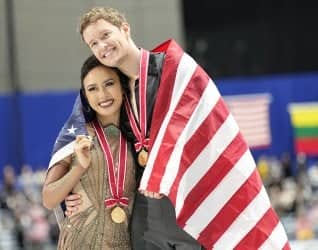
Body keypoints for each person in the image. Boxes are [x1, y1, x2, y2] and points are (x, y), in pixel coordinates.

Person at [65, 7, 290, 250]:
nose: (101, 46)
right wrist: (79, 192)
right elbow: (106, 150)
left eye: (106, 35)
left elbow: (199, 125)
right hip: (145, 214)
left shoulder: (174, 69)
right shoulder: (111, 90)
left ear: (125, 28)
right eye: (93, 43)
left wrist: (160, 170)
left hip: (185, 198)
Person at [42, 55, 136, 249]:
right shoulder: (76, 138)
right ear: (84, 95)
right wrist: (78, 168)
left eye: (109, 84)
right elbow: (49, 199)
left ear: (123, 87)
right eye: (92, 88)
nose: (102, 95)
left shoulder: (138, 137)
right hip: (80, 242)